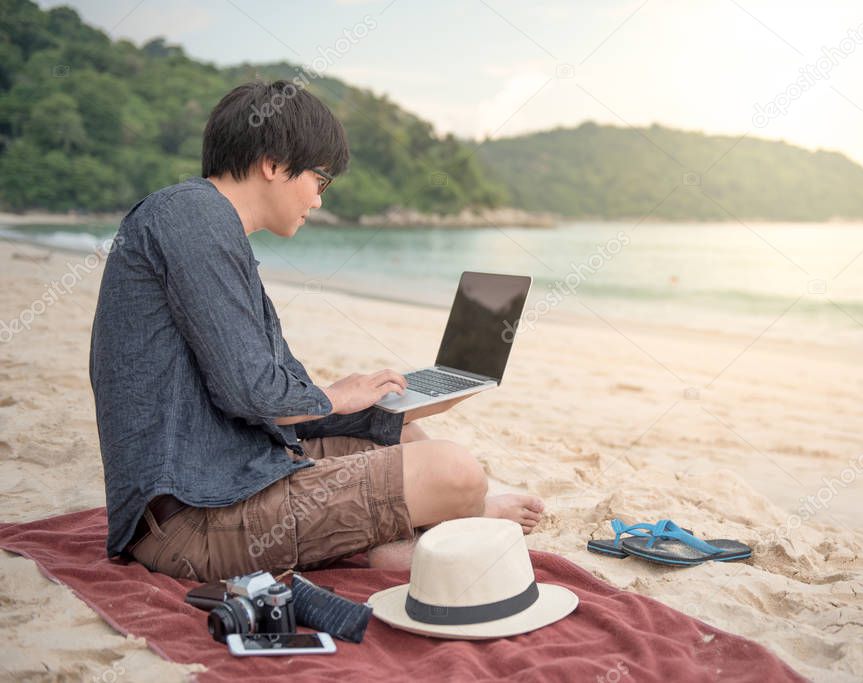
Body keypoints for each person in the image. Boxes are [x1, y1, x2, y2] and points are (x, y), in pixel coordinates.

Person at [89, 81, 543, 582]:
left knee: (405, 435)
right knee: (456, 473)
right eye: (320, 180)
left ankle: (411, 538)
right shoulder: (191, 217)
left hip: (229, 472)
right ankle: (460, 523)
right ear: (273, 163)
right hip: (193, 520)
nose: (319, 201)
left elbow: (278, 408)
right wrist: (334, 395)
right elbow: (253, 393)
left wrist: (394, 403)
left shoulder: (215, 232)